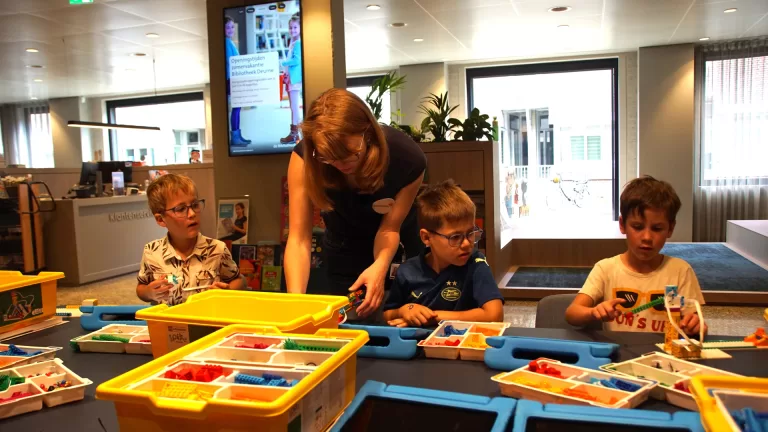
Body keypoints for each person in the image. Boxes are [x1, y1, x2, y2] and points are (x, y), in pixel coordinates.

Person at [285, 88, 426, 319]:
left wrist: (380, 265)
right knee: (349, 326)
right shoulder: (305, 158)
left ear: (367, 133)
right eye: (328, 157)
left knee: (401, 322)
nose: (339, 164)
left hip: (397, 253)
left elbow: (390, 229)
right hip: (344, 251)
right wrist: (295, 302)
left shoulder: (407, 158)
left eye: (350, 153)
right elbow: (299, 238)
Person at [565, 176, 707, 335]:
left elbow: (695, 322)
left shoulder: (680, 271)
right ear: (622, 224)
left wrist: (695, 325)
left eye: (657, 228)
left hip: (664, 355)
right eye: (637, 227)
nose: (647, 237)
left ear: (670, 229)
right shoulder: (605, 269)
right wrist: (593, 312)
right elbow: (572, 313)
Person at [382, 180, 504, 327]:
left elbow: (495, 315)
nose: (466, 243)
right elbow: (388, 314)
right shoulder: (406, 271)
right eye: (455, 237)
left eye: (471, 233)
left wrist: (433, 317)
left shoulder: (476, 264)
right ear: (427, 238)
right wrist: (404, 310)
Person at [136, 174, 244, 305]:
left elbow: (240, 280)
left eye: (195, 205)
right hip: (168, 322)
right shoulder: (152, 252)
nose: (192, 214)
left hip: (205, 320)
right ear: (160, 219)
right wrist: (149, 292)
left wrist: (229, 290)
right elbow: (141, 288)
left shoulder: (217, 249)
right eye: (181, 209)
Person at [224, 16, 251, 147]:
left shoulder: (230, 42)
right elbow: (231, 62)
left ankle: (237, 135)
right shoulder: (226, 43)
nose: (230, 29)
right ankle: (235, 137)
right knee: (236, 107)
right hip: (231, 79)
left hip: (233, 78)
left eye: (232, 27)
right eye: (227, 27)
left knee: (237, 107)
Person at [280, 14, 302, 145]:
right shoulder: (293, 43)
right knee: (292, 106)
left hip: (294, 80)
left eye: (295, 27)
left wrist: (284, 63)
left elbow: (297, 60)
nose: (292, 30)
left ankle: (294, 133)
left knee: (294, 107)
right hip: (290, 79)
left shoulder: (298, 43)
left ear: (300, 28)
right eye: (290, 28)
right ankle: (296, 133)